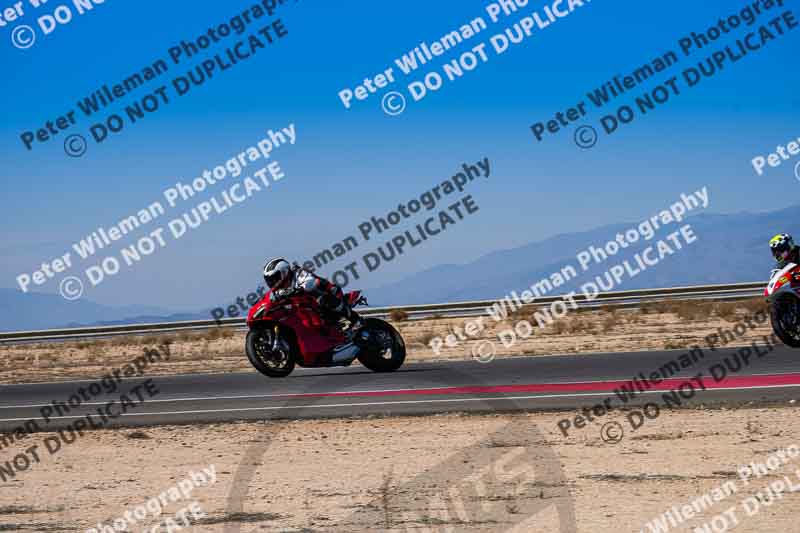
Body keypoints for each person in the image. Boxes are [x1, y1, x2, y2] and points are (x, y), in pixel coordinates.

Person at [262, 258, 361, 329]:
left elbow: (311, 282)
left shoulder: (299, 273)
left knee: (322, 298)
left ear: (284, 272)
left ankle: (354, 319)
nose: (272, 282)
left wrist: (298, 289)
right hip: (306, 306)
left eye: (274, 278)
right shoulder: (279, 289)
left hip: (330, 293)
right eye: (269, 280)